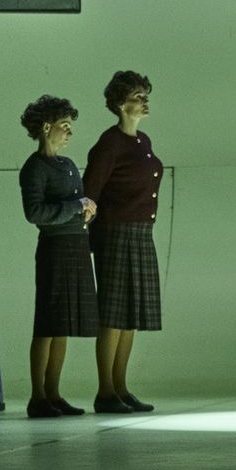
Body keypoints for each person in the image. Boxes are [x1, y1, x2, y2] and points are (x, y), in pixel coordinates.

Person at [83, 71, 163, 414]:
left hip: (141, 233)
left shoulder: (142, 141)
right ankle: (105, 391)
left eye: (145, 95)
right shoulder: (109, 143)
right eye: (137, 97)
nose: (144, 101)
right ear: (120, 104)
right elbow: (90, 193)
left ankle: (121, 387)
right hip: (115, 234)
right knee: (113, 315)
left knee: (131, 315)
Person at [18, 95, 98, 418]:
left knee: (62, 324)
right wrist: (76, 207)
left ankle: (53, 393)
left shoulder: (67, 165)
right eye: (64, 125)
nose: (69, 132)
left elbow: (76, 204)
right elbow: (35, 212)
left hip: (76, 245)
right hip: (54, 249)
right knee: (47, 324)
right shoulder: (34, 168)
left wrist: (87, 210)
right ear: (46, 127)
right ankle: (38, 396)